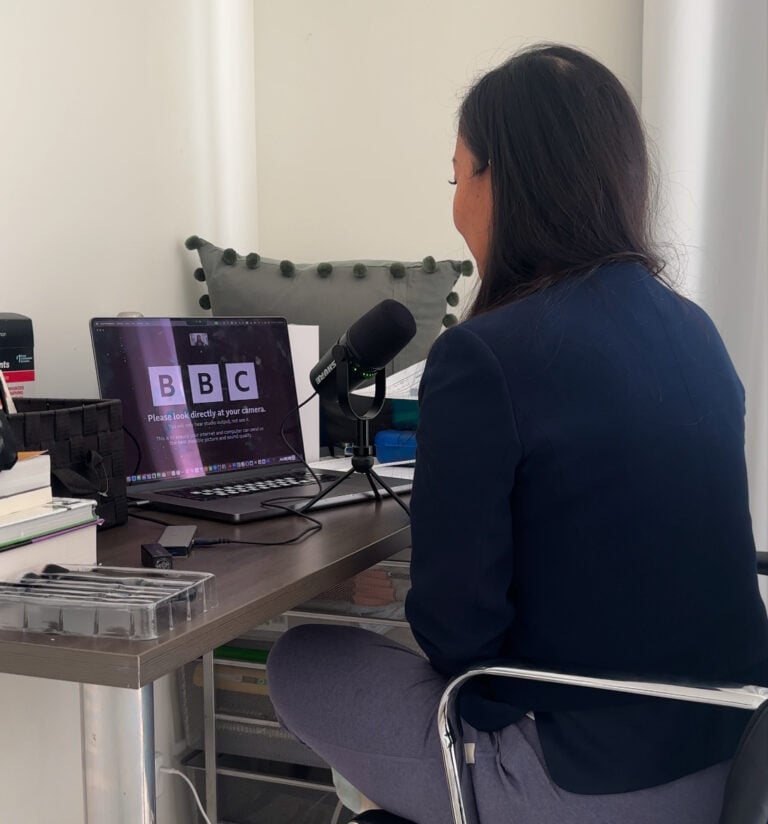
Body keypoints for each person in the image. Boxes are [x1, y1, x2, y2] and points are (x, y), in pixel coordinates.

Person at [266, 43, 768, 824]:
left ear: (502, 180)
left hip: (582, 781)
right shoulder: (695, 331)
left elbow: (456, 634)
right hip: (734, 764)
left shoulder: (484, 355)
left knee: (304, 660)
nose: (456, 202)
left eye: (457, 174)